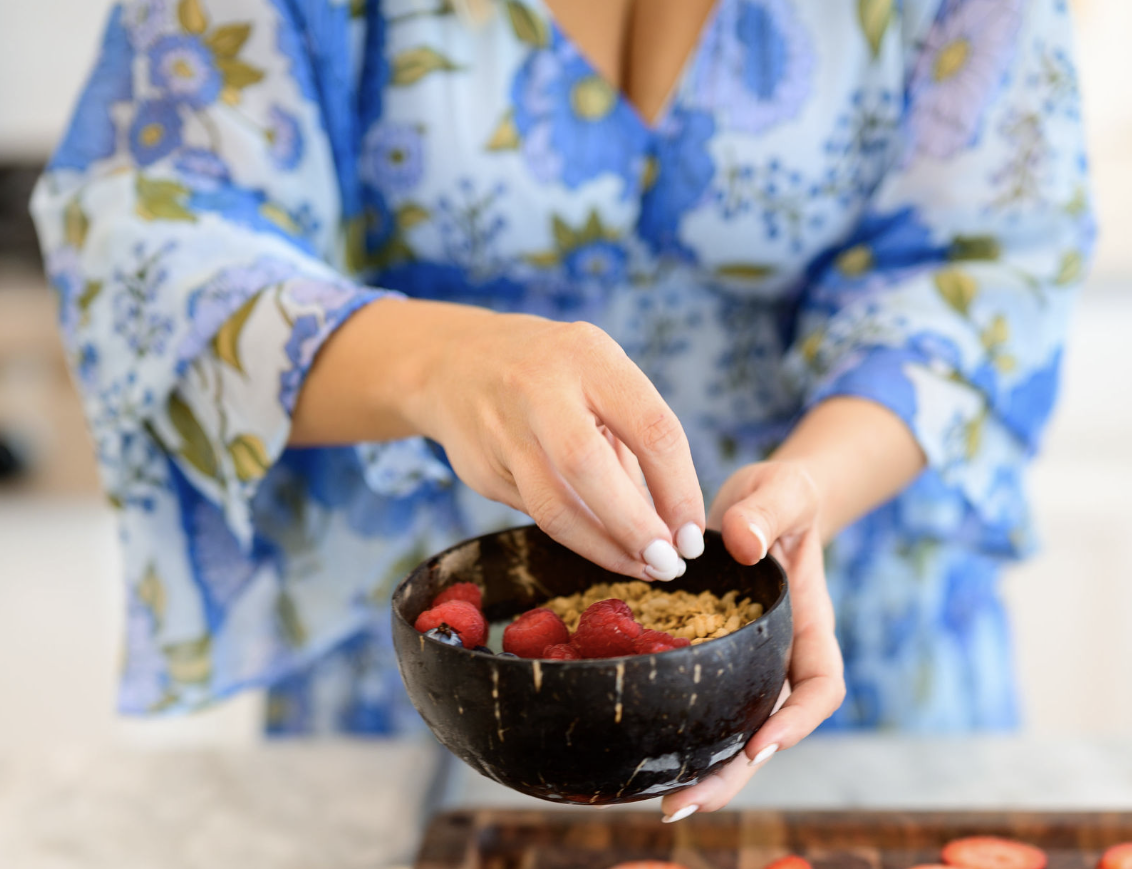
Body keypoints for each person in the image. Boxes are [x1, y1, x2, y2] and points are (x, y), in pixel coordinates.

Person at [34, 0, 1091, 818]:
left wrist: (812, 484)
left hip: (847, 647)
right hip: (449, 682)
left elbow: (982, 270)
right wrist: (440, 362)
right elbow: (148, 249)